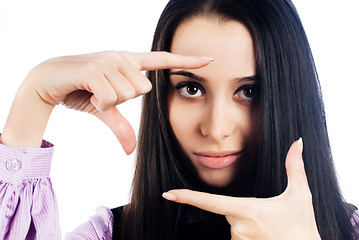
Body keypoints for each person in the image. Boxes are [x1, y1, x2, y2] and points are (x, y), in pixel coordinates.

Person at [0, 0, 358, 239]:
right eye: (190, 89)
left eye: (250, 92)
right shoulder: (108, 235)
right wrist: (33, 101)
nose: (216, 130)